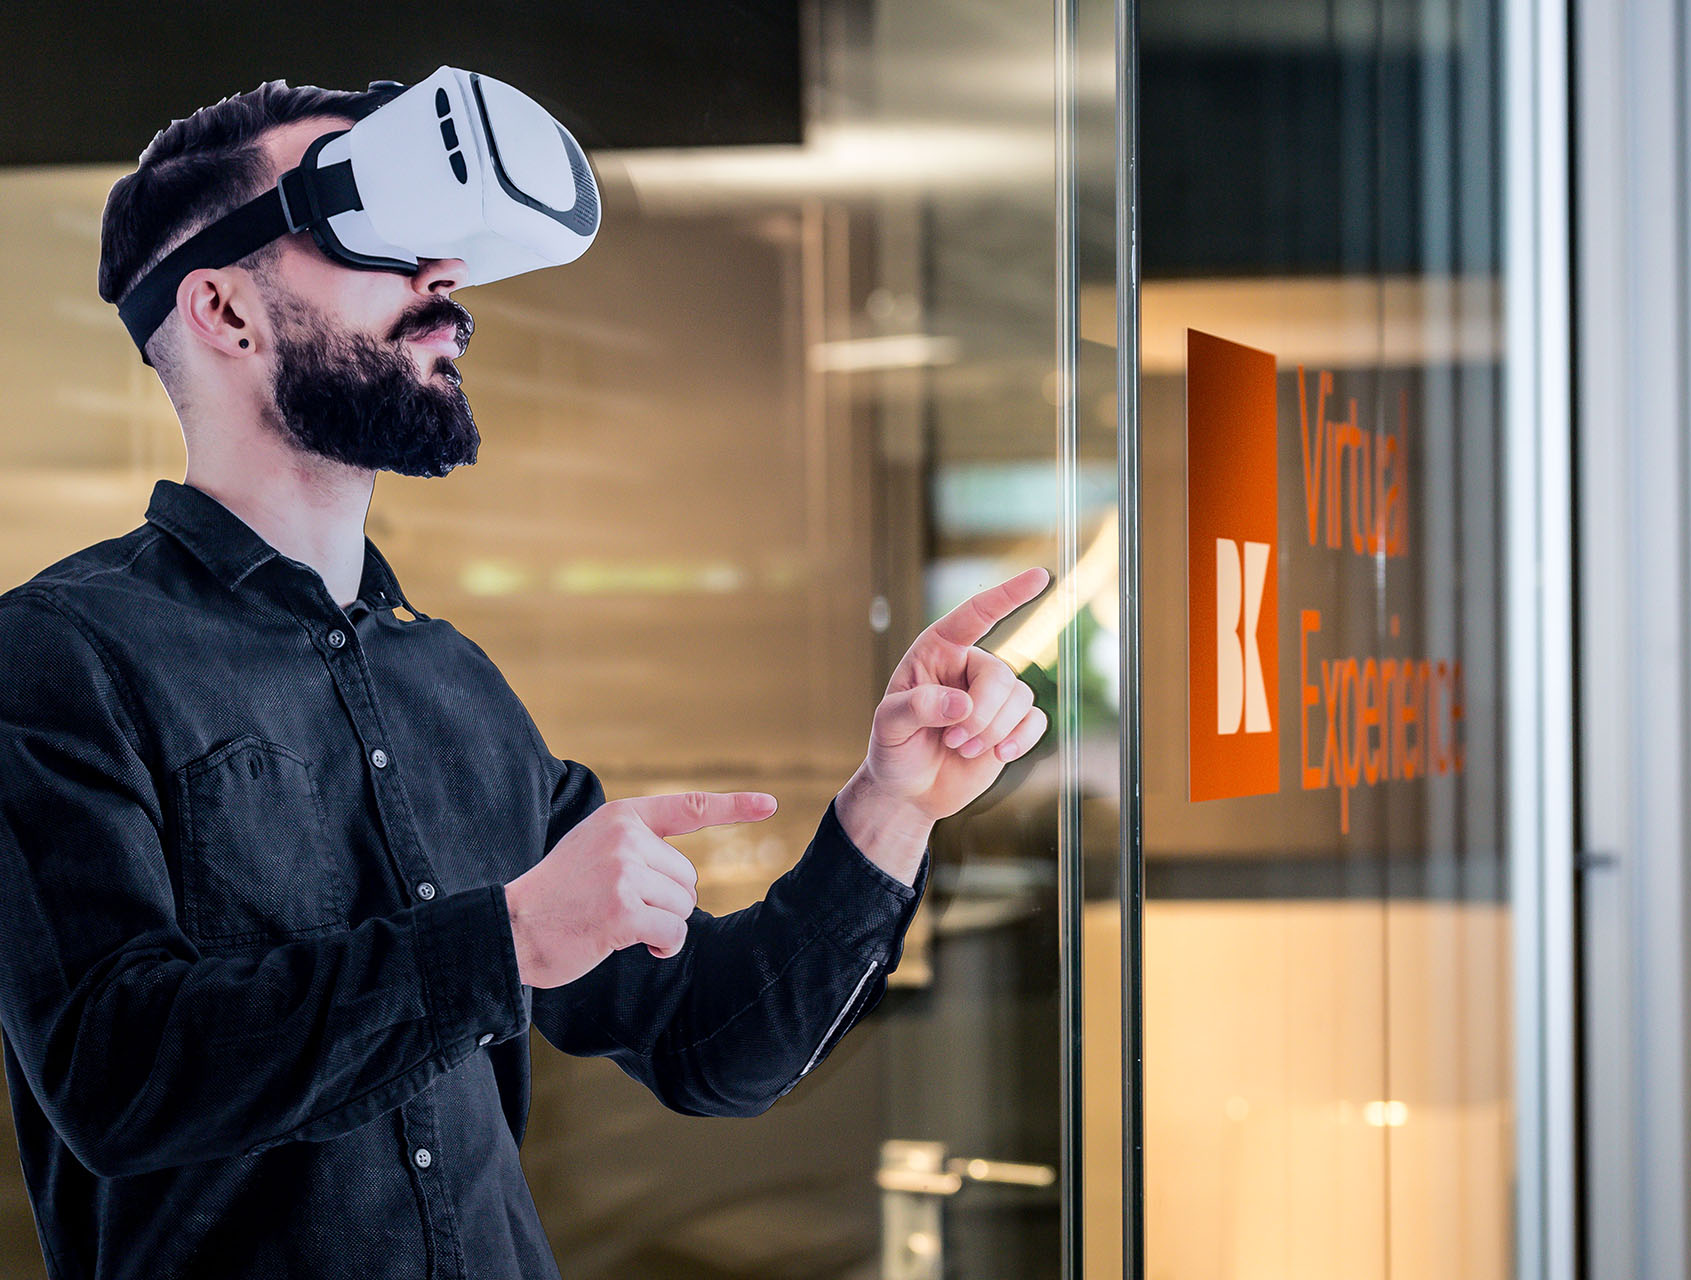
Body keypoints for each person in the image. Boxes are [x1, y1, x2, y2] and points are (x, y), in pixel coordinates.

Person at [0, 77, 1049, 1280]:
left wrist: (892, 805)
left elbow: (715, 1043)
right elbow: (115, 1072)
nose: (443, 276)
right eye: (372, 224)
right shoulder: (62, 652)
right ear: (224, 309)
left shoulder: (454, 687)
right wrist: (500, 940)